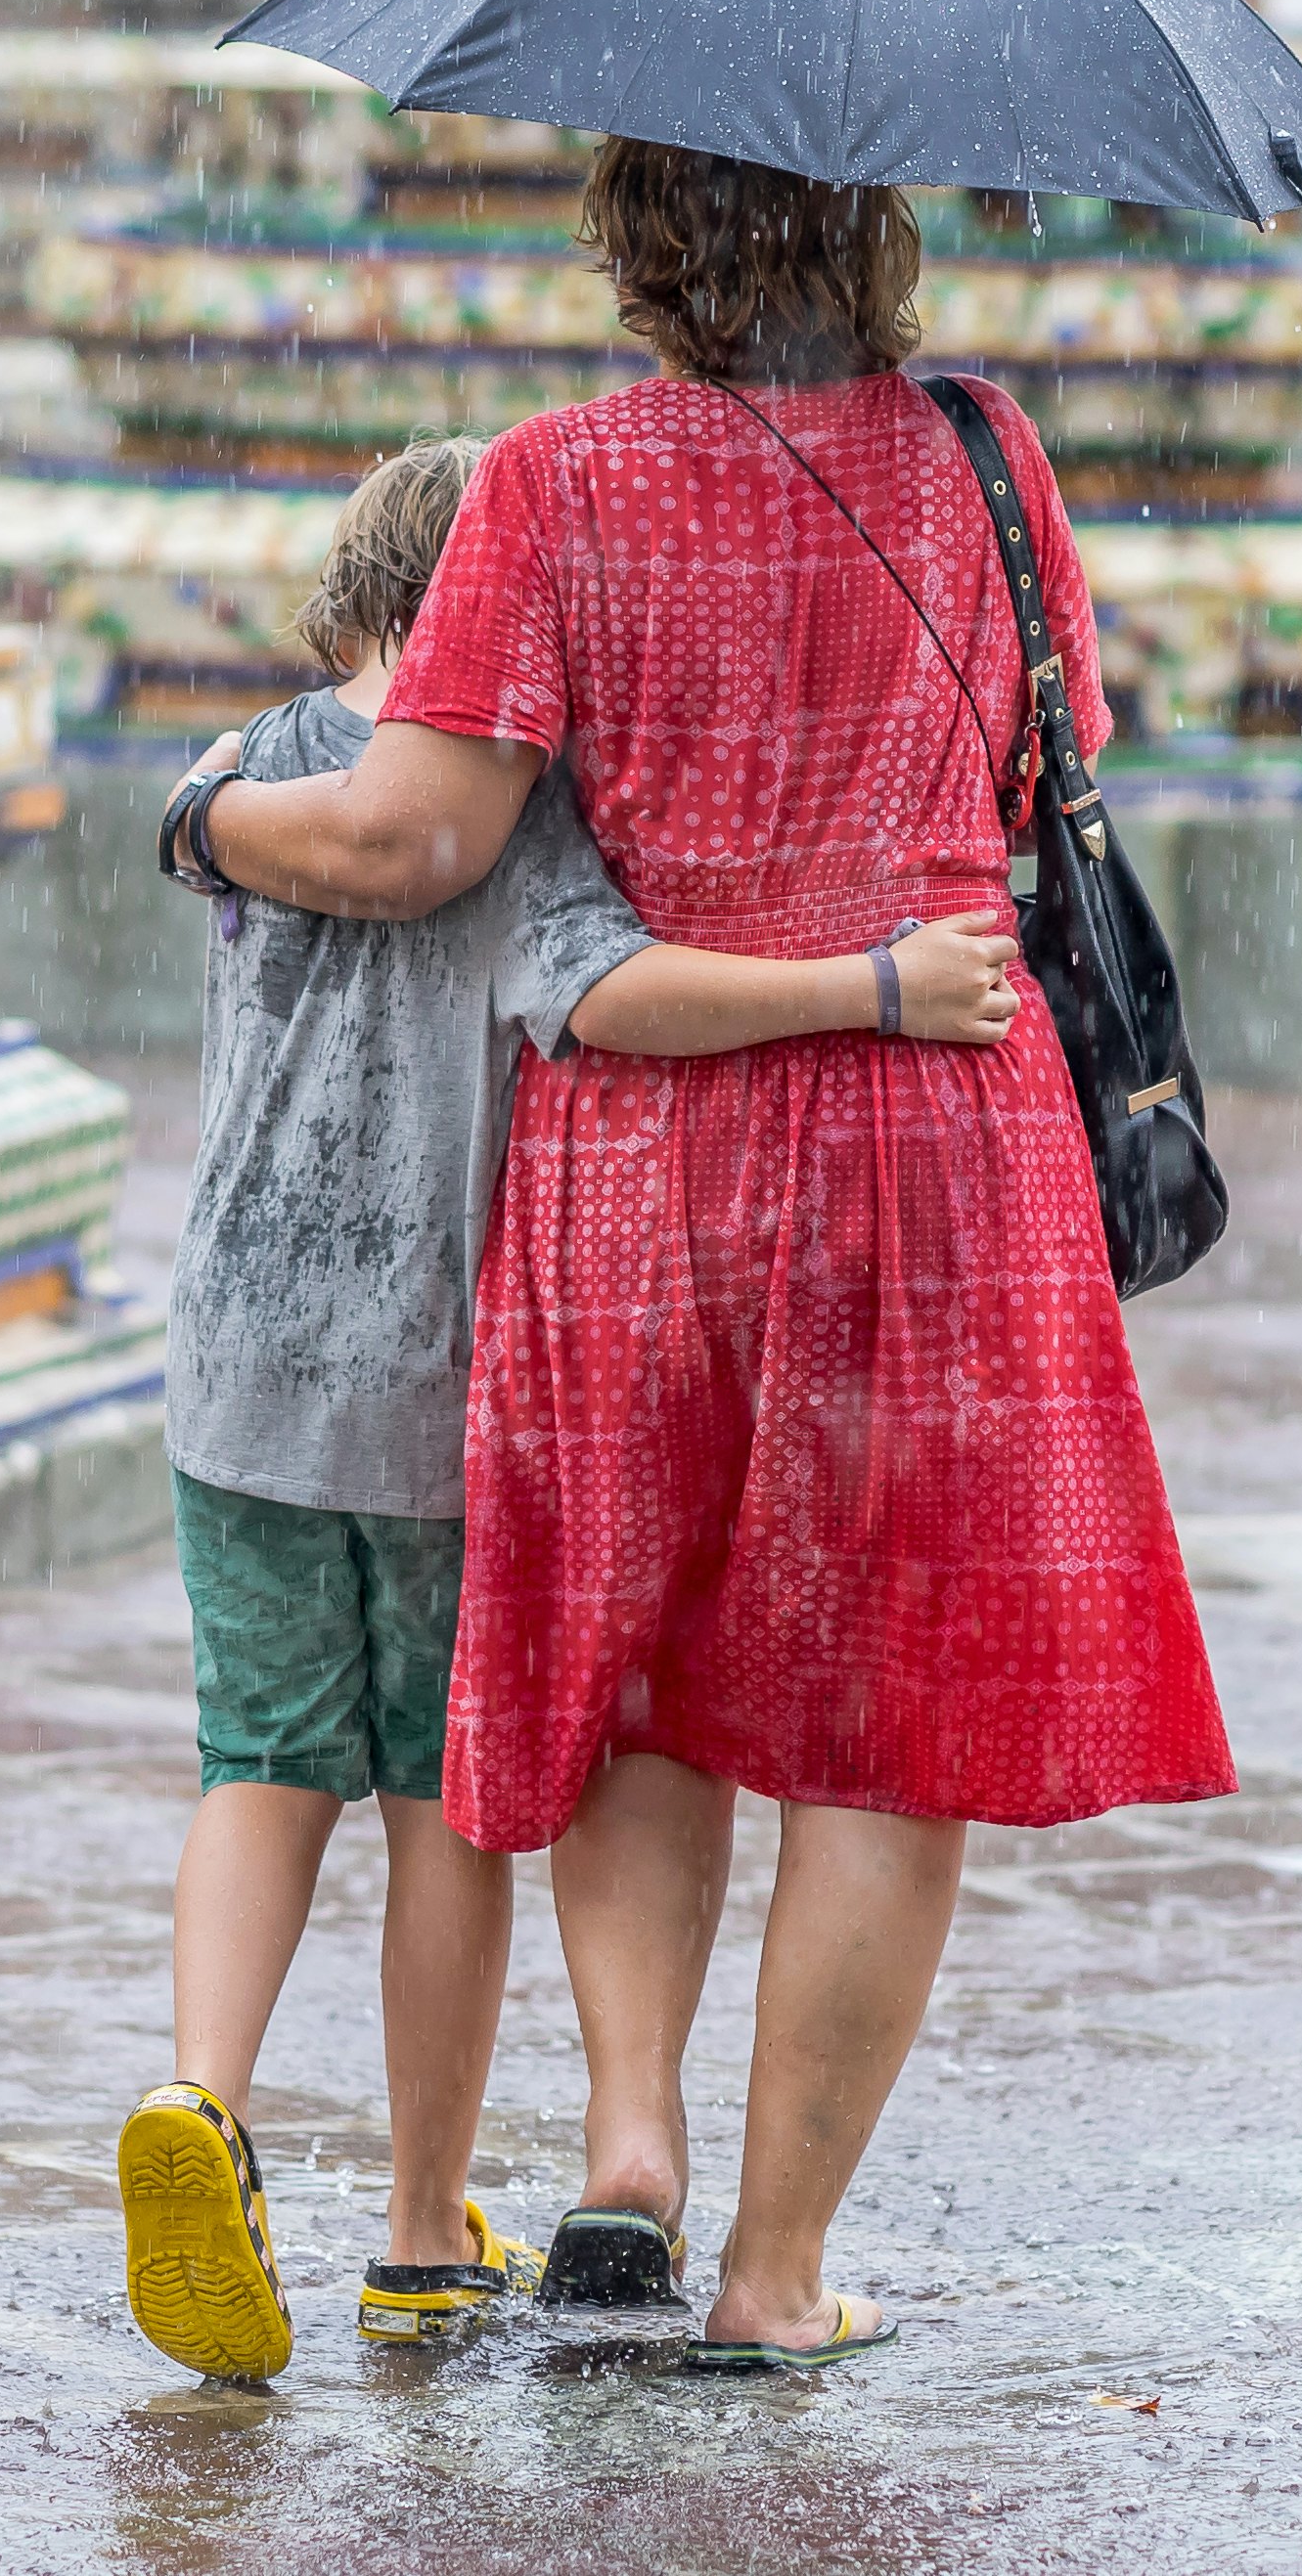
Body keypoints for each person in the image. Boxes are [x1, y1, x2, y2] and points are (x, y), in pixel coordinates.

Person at [176, 142, 1237, 2377]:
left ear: (634, 243)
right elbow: (1052, 760)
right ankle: (771, 2263)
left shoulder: (551, 484)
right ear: (876, 228)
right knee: (880, 1722)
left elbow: (412, 833)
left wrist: (196, 815)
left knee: (642, 1655)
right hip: (927, 1126)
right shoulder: (980, 452)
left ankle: (623, 2148)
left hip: (636, 1149)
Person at [122, 432, 1026, 2386]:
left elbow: (209, 835)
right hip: (443, 1387)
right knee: (446, 1806)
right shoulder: (513, 794)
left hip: (238, 1375)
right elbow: (604, 994)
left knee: (252, 1761)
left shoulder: (255, 761)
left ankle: (196, 2101)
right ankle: (417, 2223)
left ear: (351, 589)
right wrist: (864, 981)